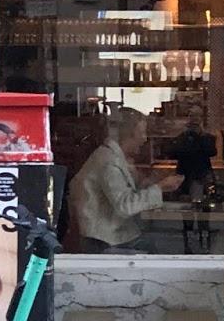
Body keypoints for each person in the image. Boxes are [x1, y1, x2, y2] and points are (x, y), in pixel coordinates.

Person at [69, 108, 180, 253]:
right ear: (130, 134)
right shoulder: (109, 162)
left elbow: (124, 192)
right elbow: (124, 206)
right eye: (142, 133)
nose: (145, 139)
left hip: (112, 236)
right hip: (104, 242)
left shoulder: (113, 157)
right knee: (166, 248)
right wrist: (160, 187)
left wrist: (150, 182)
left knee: (155, 244)